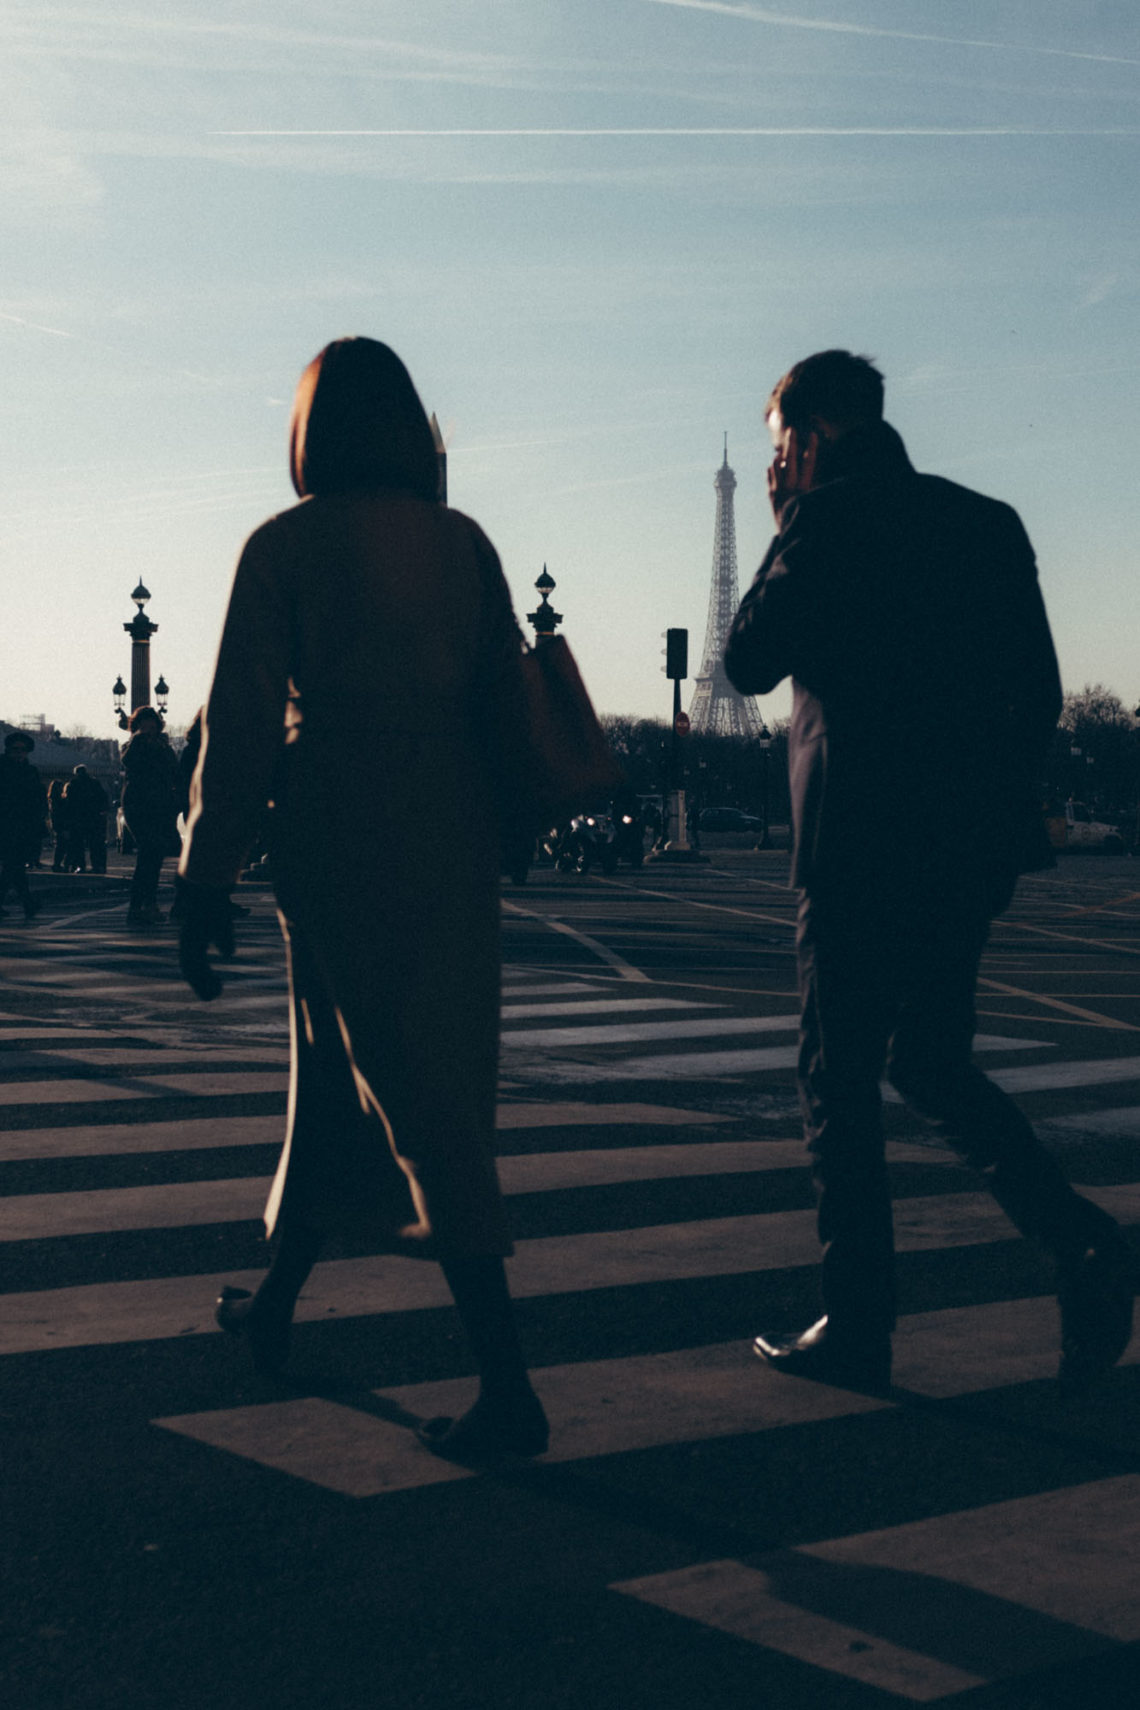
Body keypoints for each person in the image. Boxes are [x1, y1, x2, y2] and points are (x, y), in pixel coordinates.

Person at [725, 349, 1134, 1393]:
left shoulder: (820, 523)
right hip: (964, 847)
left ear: (809, 439)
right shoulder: (986, 521)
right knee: (932, 1060)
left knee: (838, 1078)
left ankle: (862, 1321)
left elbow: (747, 664)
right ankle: (1081, 1245)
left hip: (856, 848)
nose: (777, 468)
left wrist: (783, 532)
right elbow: (1039, 691)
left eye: (780, 450)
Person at [176, 336, 548, 1462]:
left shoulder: (286, 546)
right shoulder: (465, 543)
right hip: (450, 824)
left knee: (408, 1095)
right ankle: (282, 1299)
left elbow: (240, 725)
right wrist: (517, 825)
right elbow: (506, 700)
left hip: (337, 823)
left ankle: (509, 1386)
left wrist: (205, 873)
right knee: (356, 1080)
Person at [120, 706, 181, 925]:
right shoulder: (131, 745)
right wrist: (138, 740)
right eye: (142, 725)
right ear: (136, 727)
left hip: (160, 806)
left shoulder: (164, 747)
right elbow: (128, 761)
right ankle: (139, 907)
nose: (147, 728)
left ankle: (146, 905)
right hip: (139, 806)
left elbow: (174, 771)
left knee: (153, 857)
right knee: (148, 852)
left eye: (151, 724)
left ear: (157, 725)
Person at [0, 731, 47, 920]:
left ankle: (28, 903)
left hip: (24, 825)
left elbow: (38, 798)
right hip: (7, 824)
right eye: (15, 750)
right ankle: (28, 903)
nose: (19, 754)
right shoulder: (5, 770)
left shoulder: (30, 771)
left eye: (22, 750)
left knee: (14, 867)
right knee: (14, 865)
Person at [64, 764, 109, 874]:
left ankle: (81, 866)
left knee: (78, 845)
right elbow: (103, 798)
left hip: (78, 819)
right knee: (96, 844)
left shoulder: (73, 785)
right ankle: (98, 866)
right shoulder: (95, 783)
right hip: (94, 818)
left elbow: (69, 804)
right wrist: (101, 811)